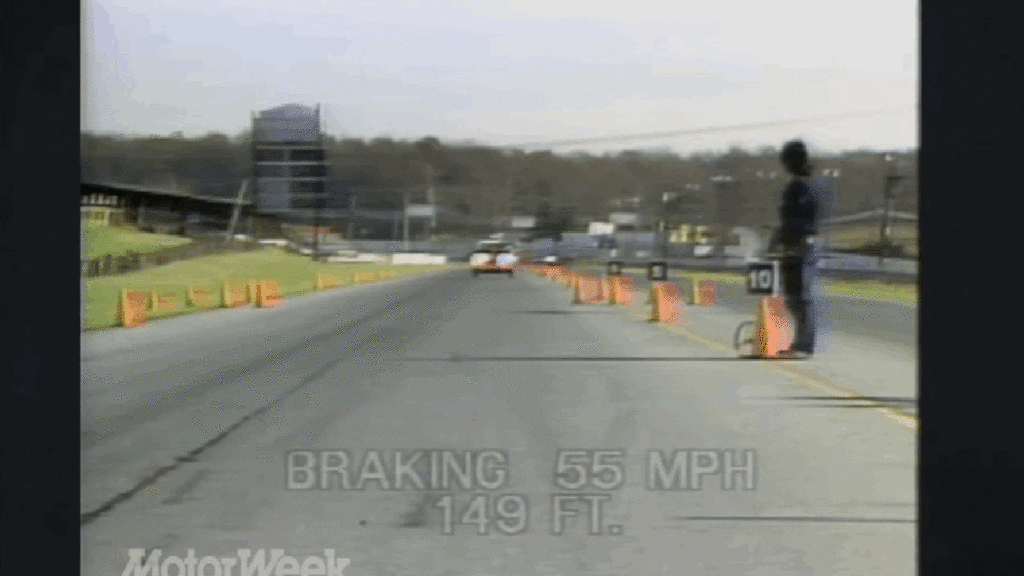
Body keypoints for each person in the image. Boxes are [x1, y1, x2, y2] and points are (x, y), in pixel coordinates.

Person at [766, 139, 827, 359]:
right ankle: (801, 343)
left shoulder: (798, 187)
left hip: (798, 245)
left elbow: (793, 220)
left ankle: (803, 346)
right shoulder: (817, 185)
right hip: (808, 243)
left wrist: (785, 245)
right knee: (798, 296)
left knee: (799, 296)